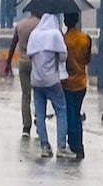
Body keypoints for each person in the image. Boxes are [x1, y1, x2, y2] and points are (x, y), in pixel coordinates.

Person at [27, 13, 73, 158]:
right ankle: (61, 147)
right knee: (61, 110)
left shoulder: (34, 35)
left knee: (40, 114)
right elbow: (64, 55)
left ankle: (45, 146)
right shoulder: (55, 35)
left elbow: (29, 55)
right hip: (52, 80)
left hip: (36, 80)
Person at [3, 10, 42, 137]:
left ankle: (26, 126)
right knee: (39, 93)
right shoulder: (40, 24)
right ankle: (39, 120)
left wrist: (8, 63)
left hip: (23, 62)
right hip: (37, 62)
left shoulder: (20, 25)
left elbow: (13, 45)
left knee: (26, 94)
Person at [62, 12, 91, 160]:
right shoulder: (85, 39)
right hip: (81, 82)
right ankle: (80, 146)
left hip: (67, 82)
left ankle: (73, 145)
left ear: (65, 21)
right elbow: (87, 59)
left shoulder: (64, 40)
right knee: (77, 114)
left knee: (70, 115)